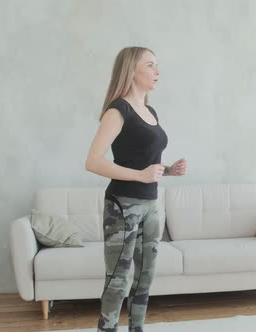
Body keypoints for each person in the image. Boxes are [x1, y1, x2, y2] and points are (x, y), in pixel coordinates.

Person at [85, 46, 187, 332]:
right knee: (118, 280)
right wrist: (140, 176)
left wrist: (167, 170)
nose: (157, 71)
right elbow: (93, 161)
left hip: (152, 205)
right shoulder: (118, 110)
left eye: (157, 65)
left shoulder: (150, 110)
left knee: (146, 277)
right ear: (131, 70)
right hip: (122, 206)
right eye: (151, 65)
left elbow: (143, 160)